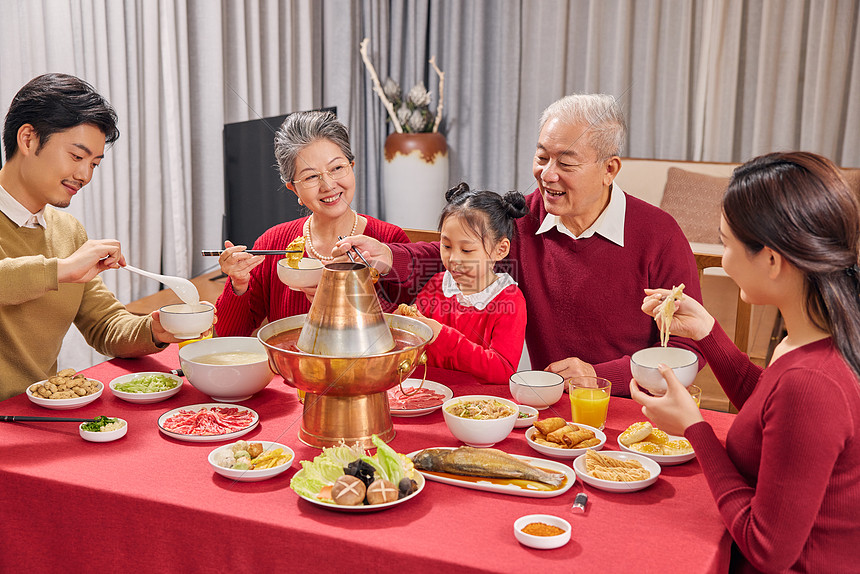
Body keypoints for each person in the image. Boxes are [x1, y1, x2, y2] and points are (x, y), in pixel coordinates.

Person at [336, 94, 703, 395]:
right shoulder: (523, 217)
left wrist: (601, 376)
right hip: (546, 402)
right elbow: (462, 252)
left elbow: (688, 350)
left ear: (609, 170)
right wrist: (388, 256)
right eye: (542, 157)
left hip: (631, 405)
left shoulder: (659, 235)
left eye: (566, 163)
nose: (548, 174)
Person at [631, 152, 860, 573]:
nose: (722, 260)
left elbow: (767, 550)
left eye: (725, 243)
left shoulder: (813, 382)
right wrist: (707, 332)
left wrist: (695, 430)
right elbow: (772, 414)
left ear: (772, 261)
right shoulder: (811, 337)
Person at [0, 73, 180, 401]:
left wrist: (155, 329)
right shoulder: (66, 259)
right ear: (27, 139)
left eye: (94, 163)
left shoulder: (67, 231)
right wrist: (61, 269)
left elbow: (105, 325)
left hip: (40, 413)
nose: (85, 175)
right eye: (77, 156)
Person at [215, 110, 409, 336]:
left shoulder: (390, 241)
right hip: (292, 369)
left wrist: (340, 304)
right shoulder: (273, 242)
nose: (328, 185)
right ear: (294, 188)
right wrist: (238, 284)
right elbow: (230, 335)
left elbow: (407, 328)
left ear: (351, 166)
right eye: (310, 176)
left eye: (337, 168)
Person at [394, 182, 528, 384]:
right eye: (446, 245)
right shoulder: (438, 284)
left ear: (500, 249)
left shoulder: (509, 300)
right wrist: (403, 326)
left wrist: (442, 336)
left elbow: (502, 371)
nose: (454, 258)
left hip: (479, 404)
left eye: (466, 250)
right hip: (428, 391)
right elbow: (411, 342)